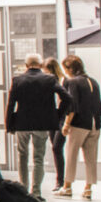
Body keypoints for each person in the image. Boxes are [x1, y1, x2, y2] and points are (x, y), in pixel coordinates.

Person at [4, 54, 62, 200]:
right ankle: (36, 192)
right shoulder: (50, 79)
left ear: (26, 65)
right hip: (41, 124)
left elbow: (10, 104)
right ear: (41, 65)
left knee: (22, 156)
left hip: (22, 124)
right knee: (38, 158)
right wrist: (56, 115)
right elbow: (67, 98)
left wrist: (9, 124)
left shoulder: (17, 80)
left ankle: (24, 191)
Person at [56, 55, 101, 200]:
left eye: (65, 68)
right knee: (91, 157)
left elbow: (73, 105)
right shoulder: (93, 82)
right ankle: (88, 188)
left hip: (79, 123)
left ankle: (67, 186)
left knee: (71, 154)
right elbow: (99, 105)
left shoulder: (72, 82)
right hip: (95, 123)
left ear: (70, 68)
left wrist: (66, 124)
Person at [42, 57, 68, 191]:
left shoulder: (64, 81)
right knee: (55, 147)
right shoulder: (49, 83)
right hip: (52, 118)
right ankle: (60, 180)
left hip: (62, 119)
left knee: (57, 147)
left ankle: (61, 181)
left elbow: (68, 101)